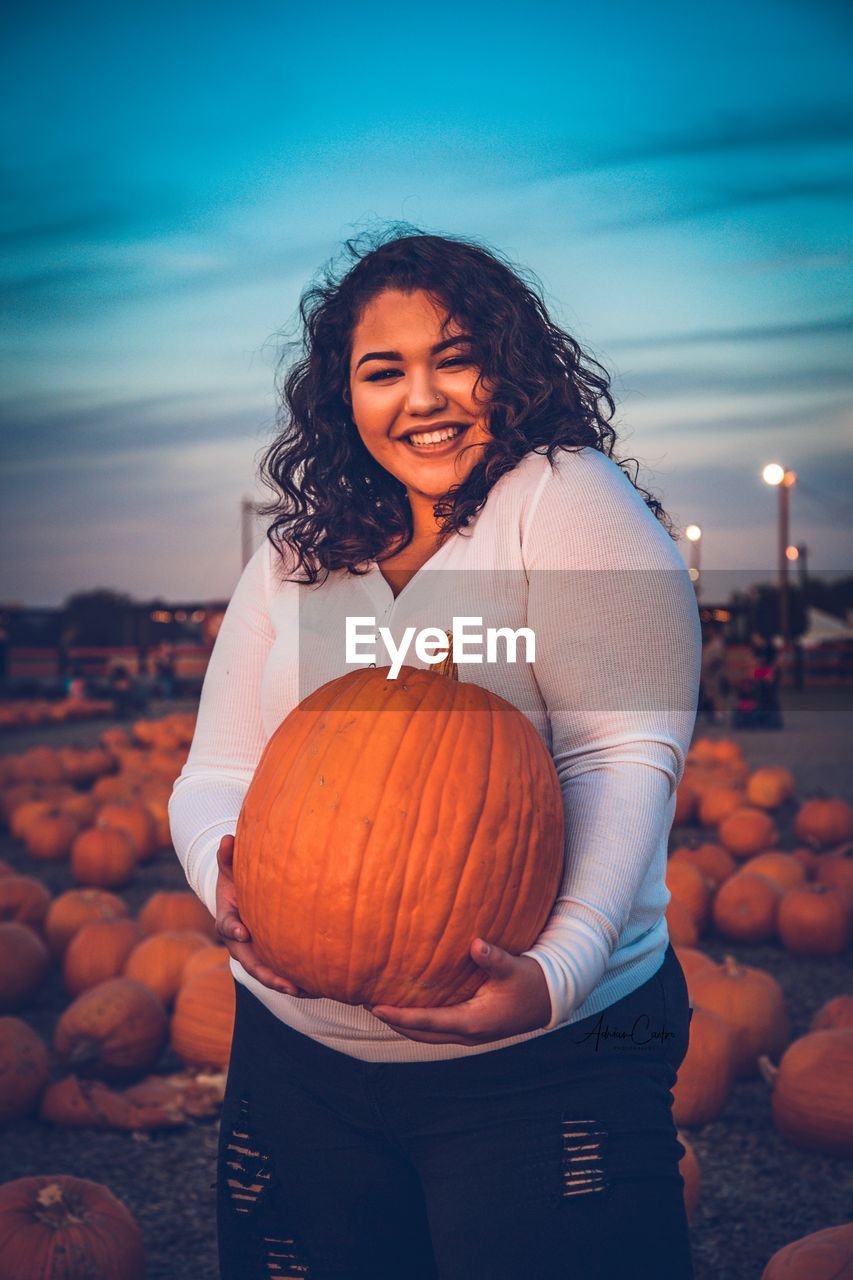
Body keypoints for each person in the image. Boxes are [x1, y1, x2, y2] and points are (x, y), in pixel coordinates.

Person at [168, 227, 701, 1280]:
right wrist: (225, 881)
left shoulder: (558, 495)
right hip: (295, 1052)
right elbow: (218, 769)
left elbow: (622, 751)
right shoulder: (297, 555)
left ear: (511, 367)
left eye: (455, 357)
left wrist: (554, 973)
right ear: (342, 396)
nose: (424, 396)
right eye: (384, 371)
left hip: (546, 1059)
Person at [698, 621, 726, 724]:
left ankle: (719, 717)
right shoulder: (711, 642)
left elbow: (718, 659)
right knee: (710, 696)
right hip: (709, 676)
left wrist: (710, 669)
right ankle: (714, 717)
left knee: (716, 696)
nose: (708, 632)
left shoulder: (717, 643)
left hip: (714, 675)